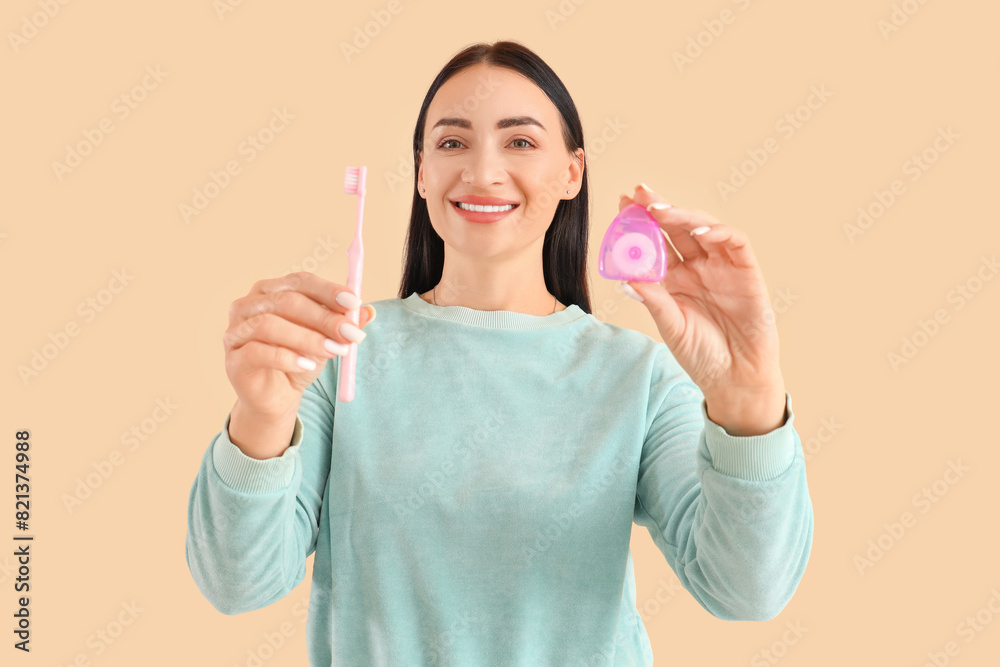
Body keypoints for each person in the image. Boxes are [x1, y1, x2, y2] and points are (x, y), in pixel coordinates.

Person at [185, 40, 813, 666]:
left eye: (520, 142)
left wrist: (748, 396)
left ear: (572, 172)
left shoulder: (636, 376)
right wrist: (260, 419)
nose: (482, 173)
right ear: (422, 171)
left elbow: (746, 591)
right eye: (453, 142)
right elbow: (239, 585)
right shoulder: (341, 355)